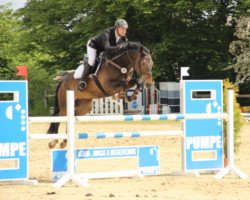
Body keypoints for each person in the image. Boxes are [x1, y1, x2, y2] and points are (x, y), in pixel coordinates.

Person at [78, 19, 129, 92]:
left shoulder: (124, 38)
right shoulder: (107, 33)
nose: (124, 31)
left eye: (125, 29)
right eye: (122, 29)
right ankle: (82, 81)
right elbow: (108, 48)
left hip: (103, 49)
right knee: (92, 61)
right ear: (117, 28)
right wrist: (119, 47)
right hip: (94, 45)